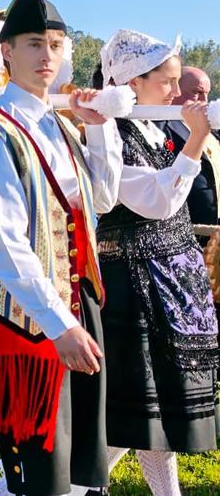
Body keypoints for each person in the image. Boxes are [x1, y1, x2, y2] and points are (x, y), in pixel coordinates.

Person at [0, 0, 123, 496]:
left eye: (54, 44)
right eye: (33, 44)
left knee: (77, 467)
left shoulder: (57, 123)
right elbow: (6, 246)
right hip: (30, 322)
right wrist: (60, 325)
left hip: (79, 305)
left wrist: (100, 130)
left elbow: (99, 201)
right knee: (40, 470)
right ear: (6, 51)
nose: (46, 56)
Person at [93, 30, 218, 494]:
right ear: (133, 82)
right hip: (136, 286)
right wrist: (196, 141)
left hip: (174, 286)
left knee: (155, 417)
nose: (175, 92)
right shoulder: (110, 134)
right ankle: (76, 485)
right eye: (165, 82)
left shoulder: (158, 127)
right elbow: (158, 201)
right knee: (137, 414)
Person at [161, 65, 220, 237]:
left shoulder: (214, 131)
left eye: (207, 94)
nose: (204, 100)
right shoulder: (164, 129)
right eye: (197, 92)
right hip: (186, 232)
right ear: (175, 90)